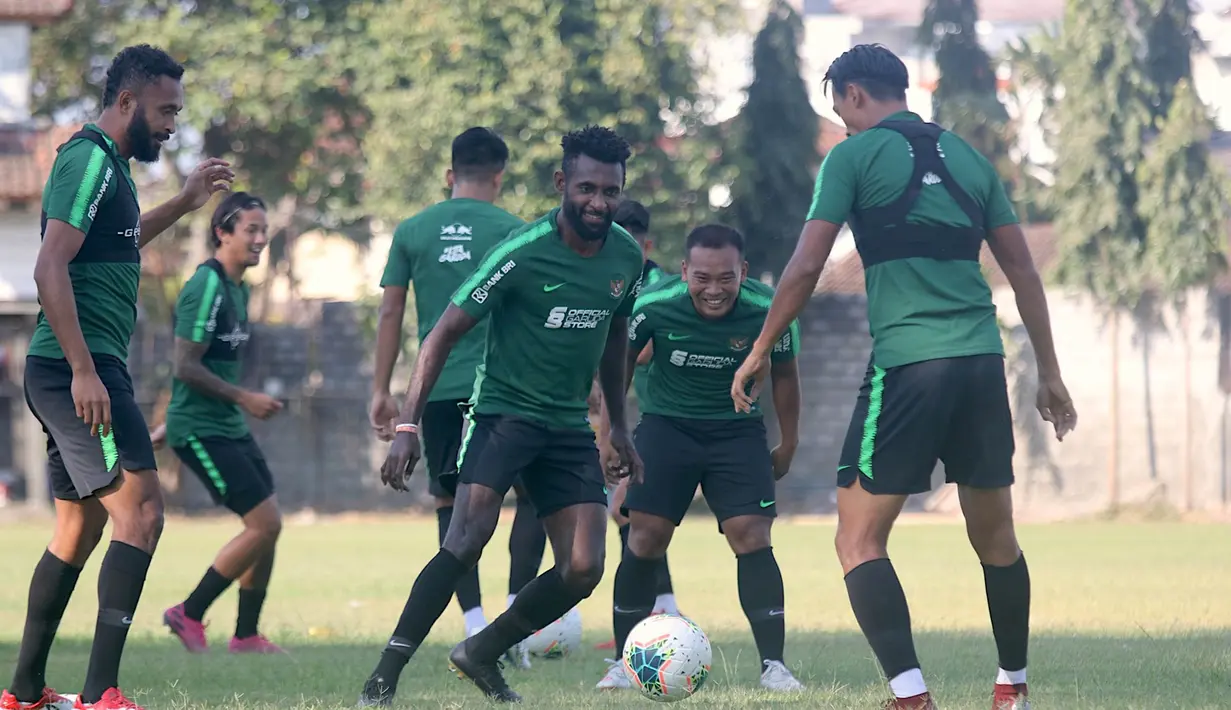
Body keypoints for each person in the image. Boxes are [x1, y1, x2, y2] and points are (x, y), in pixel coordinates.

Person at [730, 44, 1076, 710]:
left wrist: (758, 351)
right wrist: (1049, 373)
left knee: (856, 539)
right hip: (980, 363)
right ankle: (1012, 688)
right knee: (995, 538)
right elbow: (1023, 273)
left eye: (840, 110)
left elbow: (804, 267)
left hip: (908, 365)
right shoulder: (968, 158)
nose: (842, 123)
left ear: (855, 94)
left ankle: (910, 697)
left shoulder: (852, 157)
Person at [358, 125, 645, 706]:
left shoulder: (627, 257)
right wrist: (407, 426)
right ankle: (385, 674)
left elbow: (617, 339)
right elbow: (440, 334)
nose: (599, 203)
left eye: (610, 192)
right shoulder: (520, 251)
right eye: (587, 188)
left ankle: (480, 651)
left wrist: (617, 426)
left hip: (567, 427)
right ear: (562, 182)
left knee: (584, 567)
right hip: (503, 415)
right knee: (465, 539)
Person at [2, 44, 234, 710]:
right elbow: (50, 266)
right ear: (126, 102)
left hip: (80, 367)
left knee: (79, 531)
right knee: (143, 516)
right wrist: (83, 371)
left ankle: (21, 693)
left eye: (178, 113)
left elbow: (119, 243)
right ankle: (103, 693)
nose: (172, 125)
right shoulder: (86, 159)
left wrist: (186, 204)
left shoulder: (114, 172)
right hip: (79, 369)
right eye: (164, 111)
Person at [598, 224, 804, 693]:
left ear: (743, 271)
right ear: (685, 271)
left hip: (738, 432)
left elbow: (787, 377)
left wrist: (788, 442)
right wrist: (613, 432)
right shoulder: (653, 306)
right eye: (702, 278)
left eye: (726, 278)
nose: (714, 290)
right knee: (645, 537)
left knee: (751, 535)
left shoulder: (770, 312)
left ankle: (775, 665)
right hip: (667, 428)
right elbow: (620, 364)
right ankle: (621, 661)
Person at [367, 127, 548, 663]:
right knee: (531, 497)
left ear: (450, 175)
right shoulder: (519, 231)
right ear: (499, 176)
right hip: (505, 388)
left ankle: (473, 620)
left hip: (440, 388)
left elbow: (390, 312)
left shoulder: (412, 230)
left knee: (453, 505)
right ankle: (518, 619)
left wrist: (383, 390)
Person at [153, 193, 286, 655]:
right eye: (250, 229)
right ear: (222, 234)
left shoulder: (239, 288)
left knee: (270, 524)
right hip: (204, 427)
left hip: (223, 423)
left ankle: (246, 635)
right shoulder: (206, 286)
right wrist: (244, 398)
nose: (260, 239)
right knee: (264, 524)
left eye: (263, 230)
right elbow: (185, 366)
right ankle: (188, 612)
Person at [591, 199, 678, 653]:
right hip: (622, 410)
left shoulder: (659, 286)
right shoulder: (605, 276)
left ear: (645, 244)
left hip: (655, 418)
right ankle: (660, 606)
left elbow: (637, 351)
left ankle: (660, 610)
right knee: (625, 511)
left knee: (629, 510)